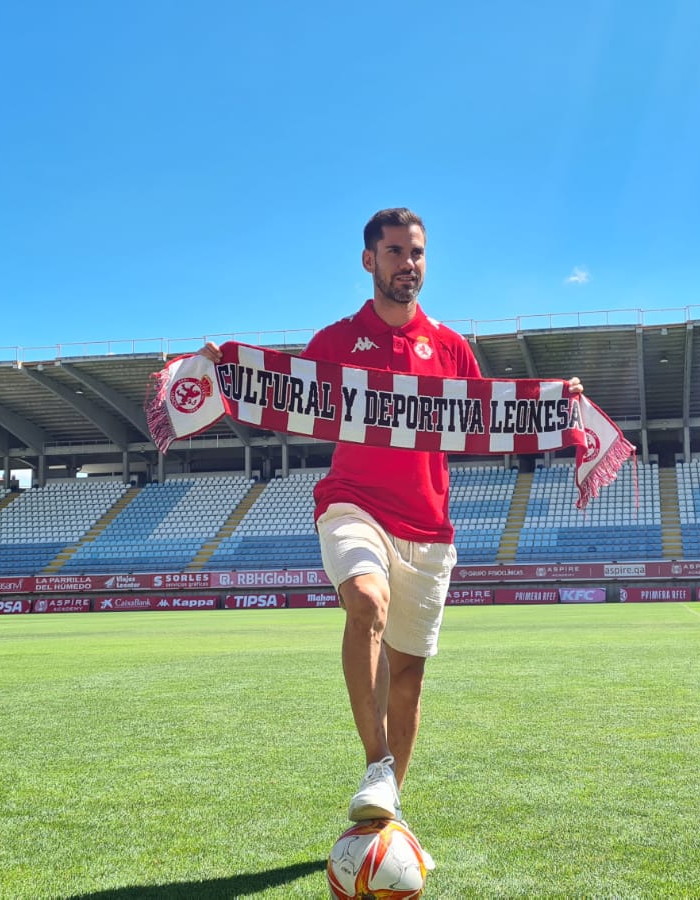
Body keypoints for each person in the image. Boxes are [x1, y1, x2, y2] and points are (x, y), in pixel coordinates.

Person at [202, 208, 582, 846]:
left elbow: (489, 419)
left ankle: (388, 811)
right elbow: (286, 393)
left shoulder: (451, 347)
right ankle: (377, 767)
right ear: (369, 260)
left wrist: (554, 405)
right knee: (366, 601)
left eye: (419, 253)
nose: (410, 264)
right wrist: (231, 370)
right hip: (353, 504)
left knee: (408, 675)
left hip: (429, 526)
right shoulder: (336, 341)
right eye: (397, 252)